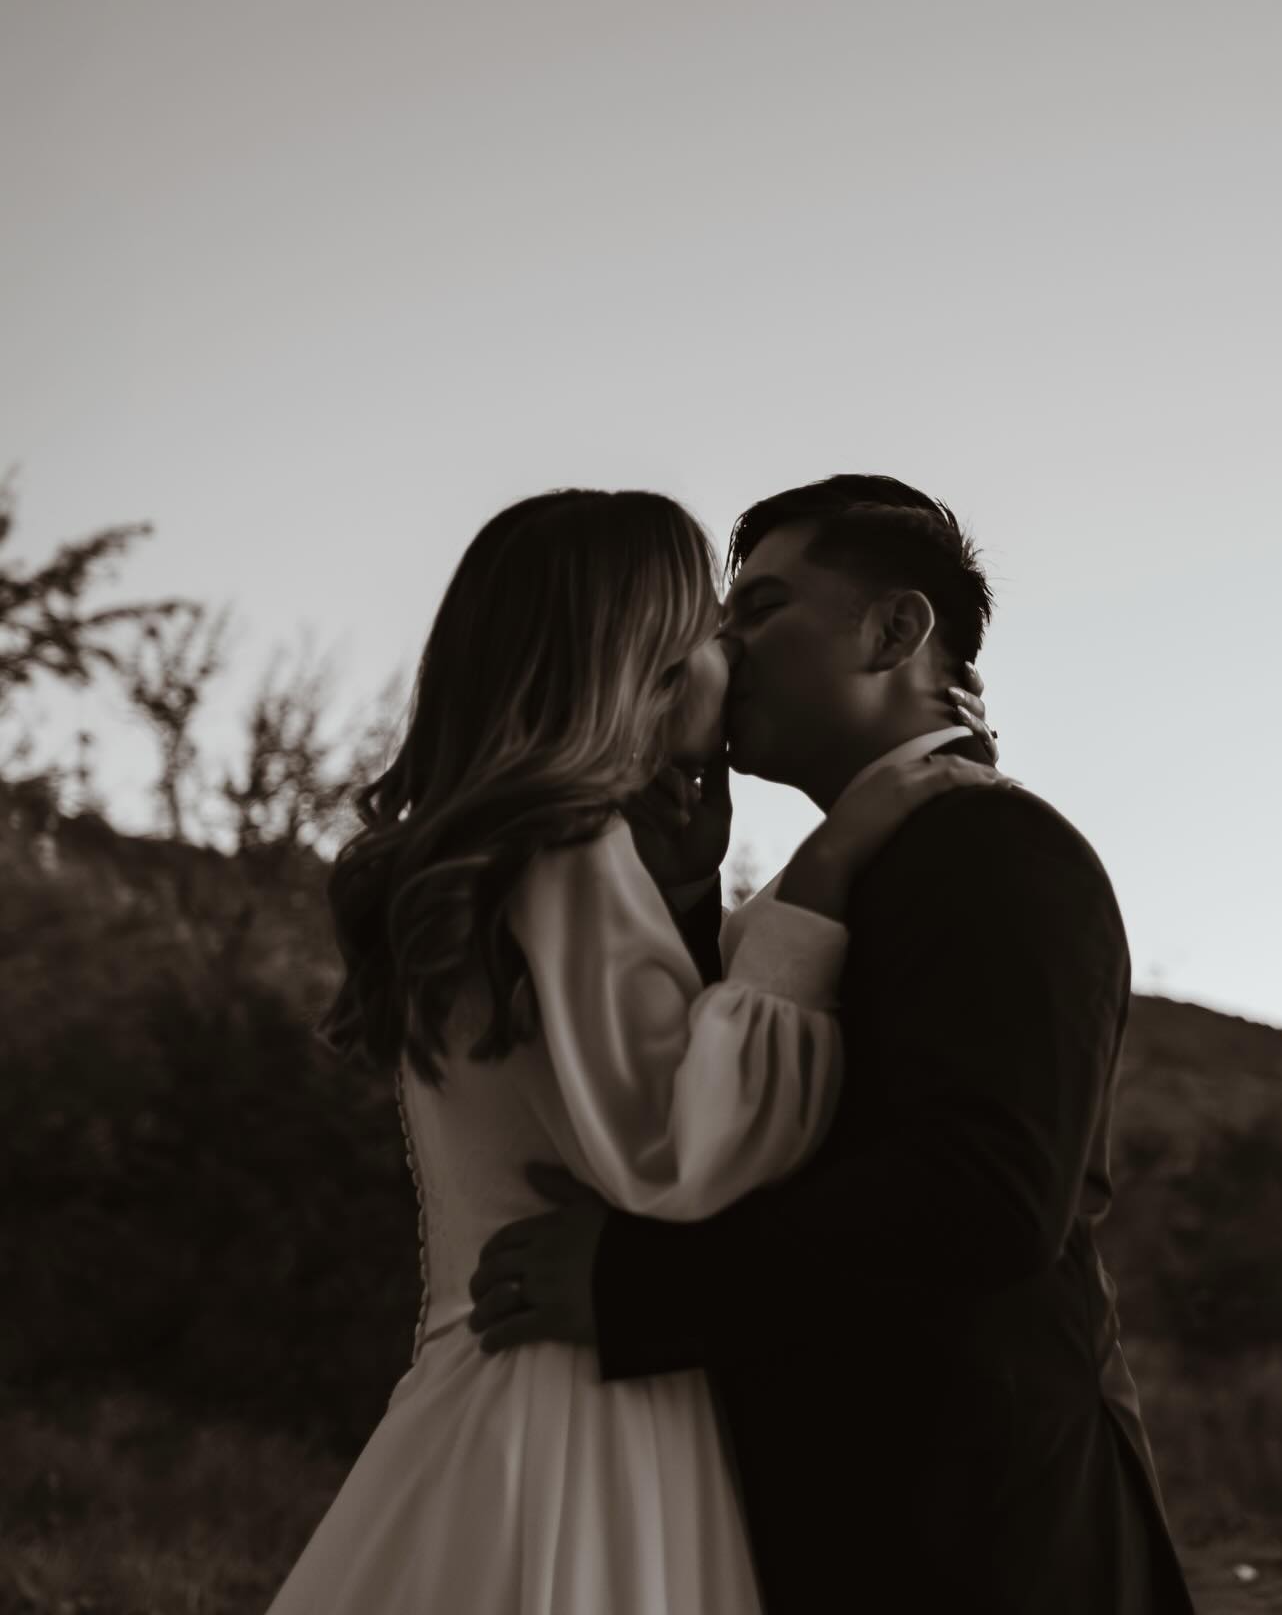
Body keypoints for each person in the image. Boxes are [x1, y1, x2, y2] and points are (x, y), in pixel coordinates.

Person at [263, 486, 1004, 1615]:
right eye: (717, 630)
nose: (737, 658)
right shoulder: (564, 852)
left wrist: (691, 894)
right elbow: (677, 1146)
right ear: (640, 660)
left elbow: (614, 1070)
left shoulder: (517, 852)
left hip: (509, 1389)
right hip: (578, 1417)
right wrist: (832, 860)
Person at [470, 473, 1197, 1615]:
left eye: (761, 608)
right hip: (851, 1520)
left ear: (897, 630)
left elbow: (987, 1198)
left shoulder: (996, 850)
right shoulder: (844, 878)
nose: (723, 645)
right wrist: (686, 897)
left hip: (979, 1542)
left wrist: (635, 1285)